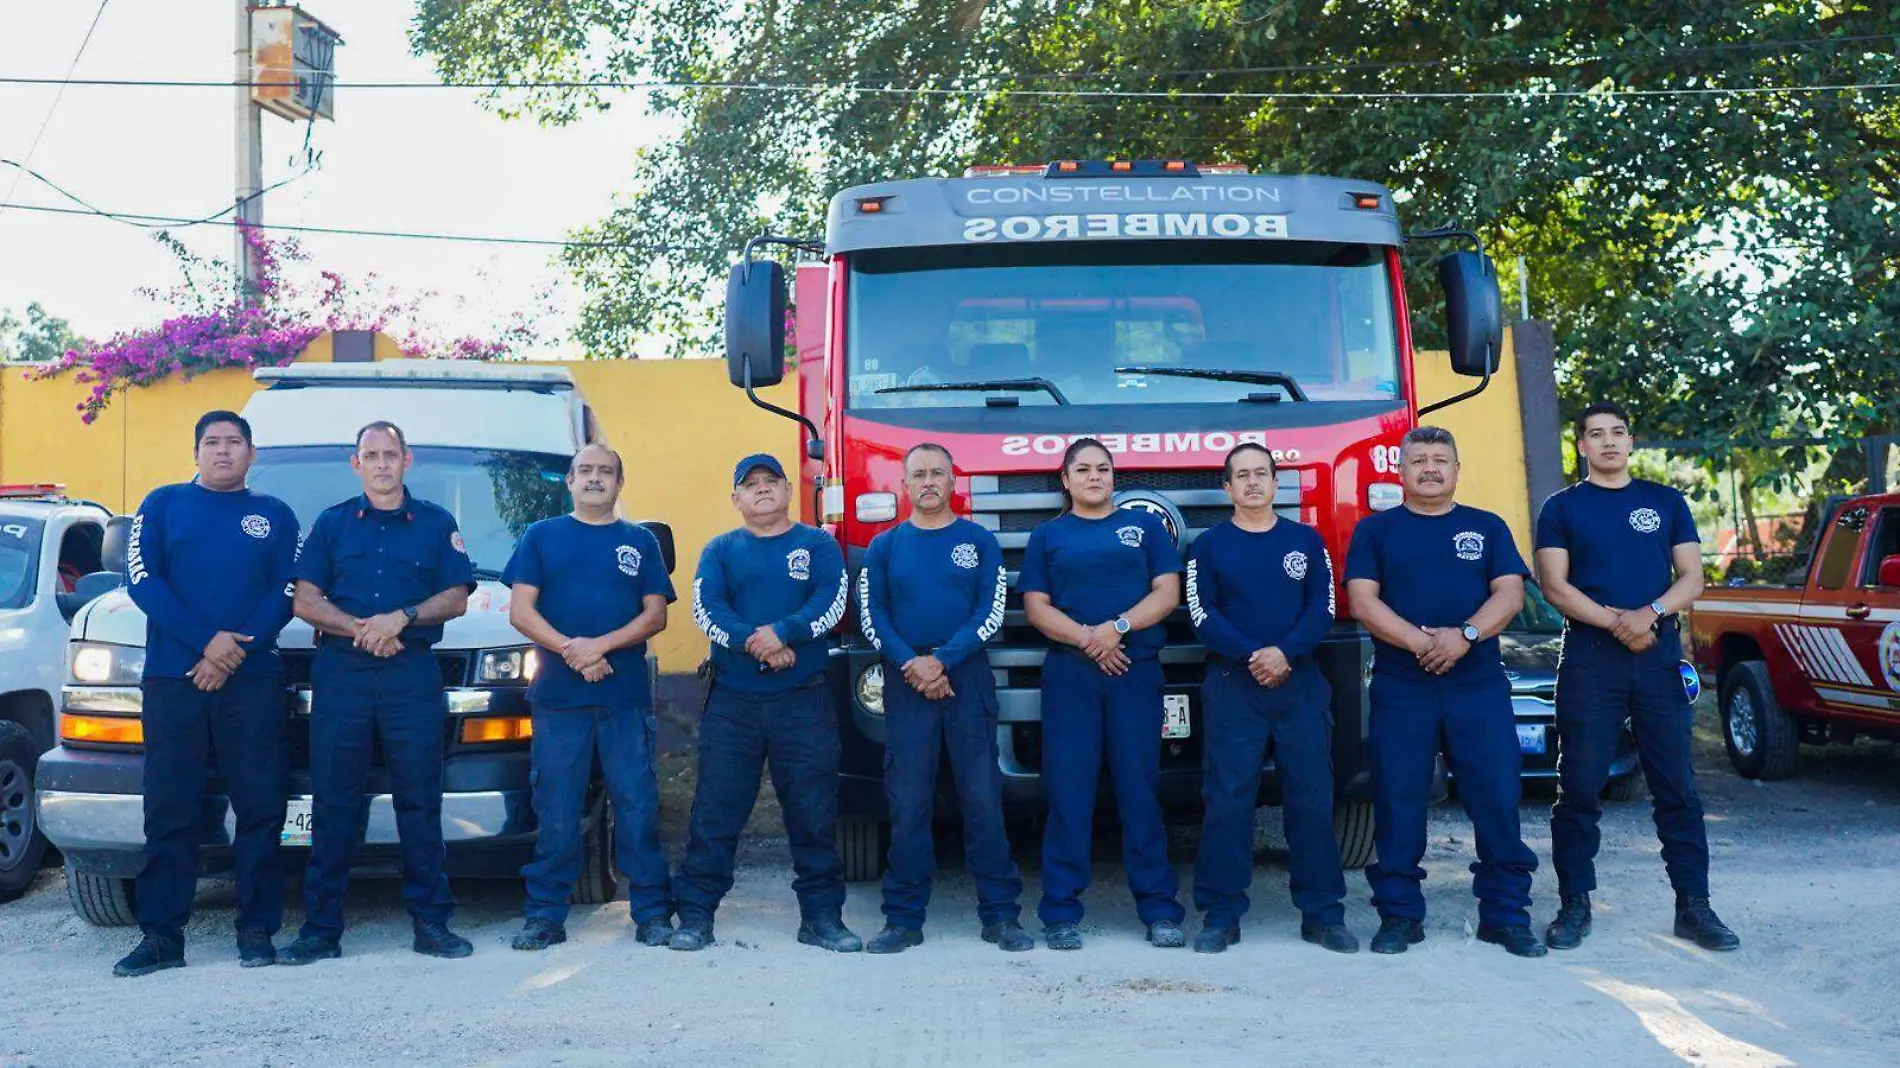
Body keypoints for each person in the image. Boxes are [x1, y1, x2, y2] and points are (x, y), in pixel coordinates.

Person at [1534, 402, 1739, 952]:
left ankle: (1694, 906)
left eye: (1617, 433)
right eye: (1595, 434)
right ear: (1580, 445)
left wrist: (1647, 615)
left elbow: (1692, 577)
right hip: (1590, 660)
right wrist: (1617, 624)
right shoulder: (1561, 508)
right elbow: (1555, 585)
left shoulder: (1665, 502)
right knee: (1578, 786)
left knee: (1676, 786)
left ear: (1631, 441)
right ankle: (1575, 903)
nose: (1607, 442)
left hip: (1657, 657)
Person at [1344, 426, 1546, 958]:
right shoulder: (1376, 531)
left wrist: (1466, 637)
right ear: (1401, 470)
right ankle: (1399, 916)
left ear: (1457, 470)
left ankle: (1505, 915)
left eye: (1440, 459)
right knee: (1397, 800)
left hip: (1476, 684)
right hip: (1401, 685)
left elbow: (1510, 592)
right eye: (1418, 460)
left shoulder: (1487, 526)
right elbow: (1363, 600)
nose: (1429, 468)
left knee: (1497, 798)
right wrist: (1420, 642)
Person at [279, 421, 476, 966]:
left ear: (408, 460)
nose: (383, 464)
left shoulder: (436, 524)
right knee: (335, 799)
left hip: (411, 674)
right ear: (356, 463)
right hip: (342, 673)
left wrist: (402, 617)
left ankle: (431, 923)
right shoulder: (332, 524)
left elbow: (456, 596)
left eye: (391, 454)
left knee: (419, 798)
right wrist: (364, 628)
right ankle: (320, 930)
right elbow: (305, 600)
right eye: (372, 455)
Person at [112, 411, 300, 977]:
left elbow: (286, 591)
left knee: (262, 806)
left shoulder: (276, 515)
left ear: (251, 453)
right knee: (170, 808)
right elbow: (143, 581)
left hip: (253, 682)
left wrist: (232, 651)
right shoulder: (162, 504)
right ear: (196, 452)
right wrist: (205, 643)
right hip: (175, 680)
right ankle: (163, 935)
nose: (223, 451)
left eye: (234, 442)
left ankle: (257, 929)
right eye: (212, 443)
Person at [672, 453, 860, 952]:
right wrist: (755, 643)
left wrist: (784, 632)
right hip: (733, 703)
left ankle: (821, 918)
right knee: (715, 811)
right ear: (735, 498)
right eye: (749, 484)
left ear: (787, 491)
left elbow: (831, 602)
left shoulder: (818, 544)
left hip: (804, 702)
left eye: (771, 481)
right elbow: (706, 608)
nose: (761, 490)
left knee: (812, 813)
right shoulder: (720, 550)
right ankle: (695, 916)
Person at [856, 443, 1031, 954]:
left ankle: (1001, 917)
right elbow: (874, 616)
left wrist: (944, 661)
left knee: (982, 798)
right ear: (904, 485)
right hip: (906, 683)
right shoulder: (885, 547)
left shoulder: (979, 541)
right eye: (919, 474)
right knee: (908, 804)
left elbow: (990, 611)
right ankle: (903, 920)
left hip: (966, 679)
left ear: (954, 480)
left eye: (938, 472)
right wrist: (914, 664)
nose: (928, 481)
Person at [503, 444, 678, 952]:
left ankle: (651, 914)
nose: (595, 478)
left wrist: (598, 646)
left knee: (637, 807)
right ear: (570, 482)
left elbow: (655, 615)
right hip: (558, 701)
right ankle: (544, 916)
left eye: (605, 471)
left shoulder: (639, 541)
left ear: (620, 483)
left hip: (624, 700)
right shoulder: (541, 537)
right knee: (556, 811)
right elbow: (520, 611)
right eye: (585, 471)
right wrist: (571, 651)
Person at [1186, 443, 1355, 955]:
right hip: (1234, 687)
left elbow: (1323, 607)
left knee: (1310, 799)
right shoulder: (1209, 546)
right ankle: (1221, 914)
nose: (1253, 483)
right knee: (1227, 802)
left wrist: (1284, 652)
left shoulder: (1305, 541)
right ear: (1228, 488)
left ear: (1275, 482)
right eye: (1242, 476)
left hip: (1299, 685)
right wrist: (1253, 655)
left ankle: (1323, 914)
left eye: (1262, 474)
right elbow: (1201, 612)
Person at [1020, 438, 1187, 950]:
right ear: (1065, 481)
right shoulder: (1048, 536)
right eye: (1084, 470)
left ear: (1115, 478)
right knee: (1069, 793)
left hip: (1133, 672)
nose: (1095, 477)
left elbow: (1167, 593)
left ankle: (1160, 910)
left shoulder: (1144, 530)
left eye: (1104, 469)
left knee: (1141, 792)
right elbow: (1035, 605)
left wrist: (1116, 628)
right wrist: (1090, 640)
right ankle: (1061, 912)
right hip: (1072, 675)